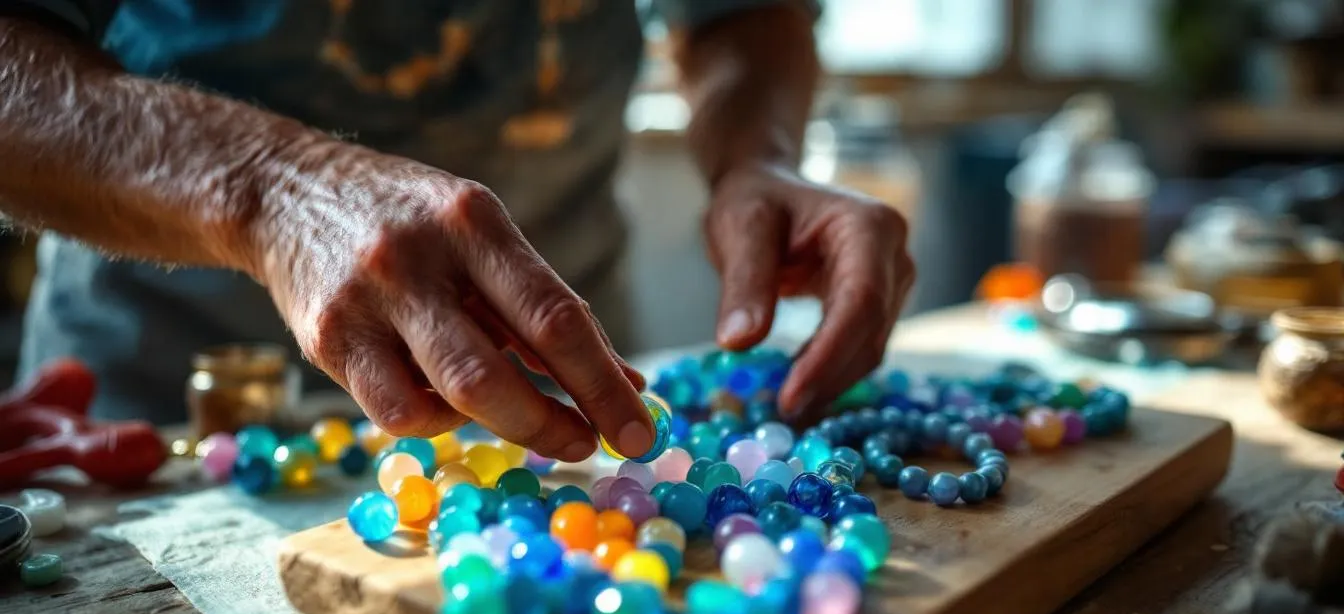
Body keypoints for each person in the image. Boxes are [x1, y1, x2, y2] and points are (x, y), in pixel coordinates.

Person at [0, 0, 913, 464]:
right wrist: (272, 188)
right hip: (170, 414)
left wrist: (760, 156)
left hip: (574, 386)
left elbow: (739, 16)